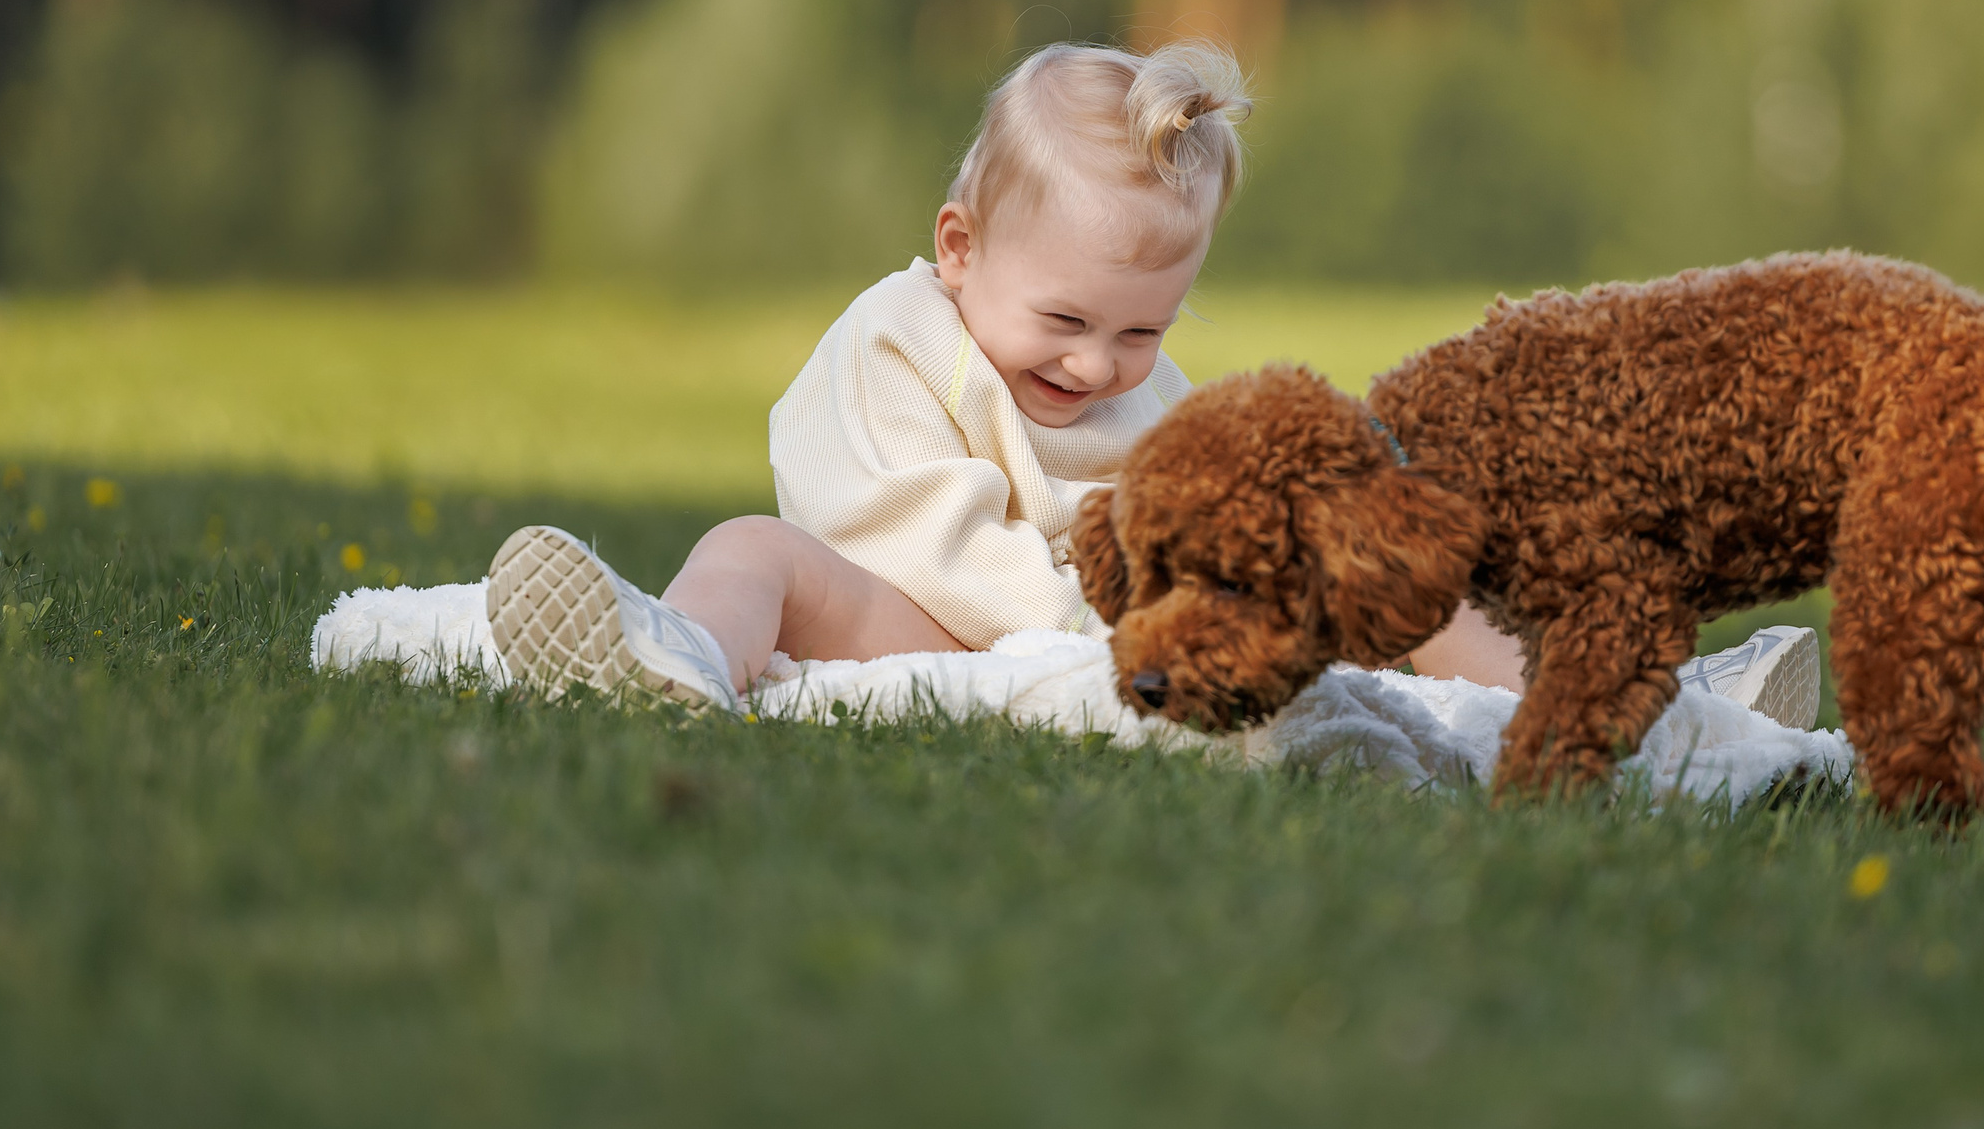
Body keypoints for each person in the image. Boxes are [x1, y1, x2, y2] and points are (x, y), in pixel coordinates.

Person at [482, 38, 1815, 728]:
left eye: (1139, 330)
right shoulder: (895, 339)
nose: (1095, 364)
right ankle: (676, 659)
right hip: (914, 620)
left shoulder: (1147, 389)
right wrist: (1092, 628)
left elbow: (1200, 523)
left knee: (1398, 593)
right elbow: (901, 524)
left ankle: (1653, 701)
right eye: (1064, 318)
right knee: (751, 546)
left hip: (1114, 634)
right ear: (962, 248)